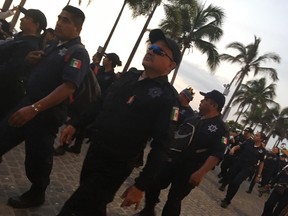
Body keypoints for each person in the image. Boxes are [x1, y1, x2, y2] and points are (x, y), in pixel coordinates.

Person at [57, 28, 182, 216]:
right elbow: (100, 104)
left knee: (75, 205)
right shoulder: (129, 76)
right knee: (92, 206)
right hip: (95, 149)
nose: (151, 51)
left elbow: (162, 145)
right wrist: (75, 124)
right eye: (152, 47)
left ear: (171, 66)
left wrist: (141, 185)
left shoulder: (168, 98)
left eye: (159, 51)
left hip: (117, 162)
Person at [0, 5, 89, 208]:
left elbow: (68, 87)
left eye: (66, 20)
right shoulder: (54, 45)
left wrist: (35, 108)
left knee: (37, 158)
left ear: (78, 29)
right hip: (28, 102)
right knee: (3, 133)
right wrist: (30, 61)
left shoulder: (79, 53)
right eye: (59, 18)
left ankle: (36, 193)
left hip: (45, 113)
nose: (59, 22)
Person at [134, 90, 228, 216]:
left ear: (214, 105)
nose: (201, 101)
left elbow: (217, 153)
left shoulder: (221, 129)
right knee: (153, 184)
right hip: (172, 161)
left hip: (190, 169)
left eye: (205, 100)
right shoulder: (194, 118)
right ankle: (149, 210)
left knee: (174, 200)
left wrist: (201, 173)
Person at [0, 5, 47, 120]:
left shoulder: (29, 46)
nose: (21, 19)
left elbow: (11, 69)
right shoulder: (21, 39)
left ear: (36, 25)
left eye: (26, 18)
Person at [219, 132, 267, 208]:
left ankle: (227, 200)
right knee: (231, 181)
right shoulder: (248, 142)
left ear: (261, 139)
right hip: (238, 164)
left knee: (236, 182)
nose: (255, 136)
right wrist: (233, 148)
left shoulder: (262, 151)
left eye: (257, 136)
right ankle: (227, 197)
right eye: (255, 135)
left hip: (248, 168)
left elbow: (261, 163)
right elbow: (238, 146)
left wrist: (258, 175)